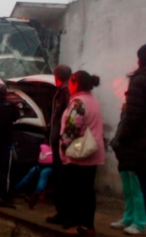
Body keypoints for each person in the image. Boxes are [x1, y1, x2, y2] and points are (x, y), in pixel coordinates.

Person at [59, 71, 105, 236]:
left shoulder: (78, 103)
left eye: (71, 84)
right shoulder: (93, 101)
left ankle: (83, 226)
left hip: (79, 154)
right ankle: (86, 225)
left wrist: (64, 149)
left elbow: (71, 129)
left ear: (75, 83)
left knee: (78, 191)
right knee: (86, 190)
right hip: (92, 153)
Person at [110, 44, 146, 235]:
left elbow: (133, 116)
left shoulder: (140, 80)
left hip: (134, 144)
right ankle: (129, 217)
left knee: (135, 185)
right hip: (135, 143)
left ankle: (139, 221)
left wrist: (120, 139)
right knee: (130, 184)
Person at [110, 104, 146, 235]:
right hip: (124, 154)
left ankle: (140, 222)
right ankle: (128, 218)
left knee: (137, 191)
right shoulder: (129, 109)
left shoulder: (138, 112)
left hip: (135, 155)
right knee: (128, 190)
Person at [46, 65, 71, 225]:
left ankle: (63, 213)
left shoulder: (65, 92)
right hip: (59, 140)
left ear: (58, 76)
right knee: (60, 178)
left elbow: (65, 117)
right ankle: (62, 212)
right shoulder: (62, 91)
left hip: (62, 142)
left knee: (62, 179)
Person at [15, 142, 53, 209]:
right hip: (41, 165)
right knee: (31, 171)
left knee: (44, 173)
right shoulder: (43, 144)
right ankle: (17, 189)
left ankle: (35, 195)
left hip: (52, 166)